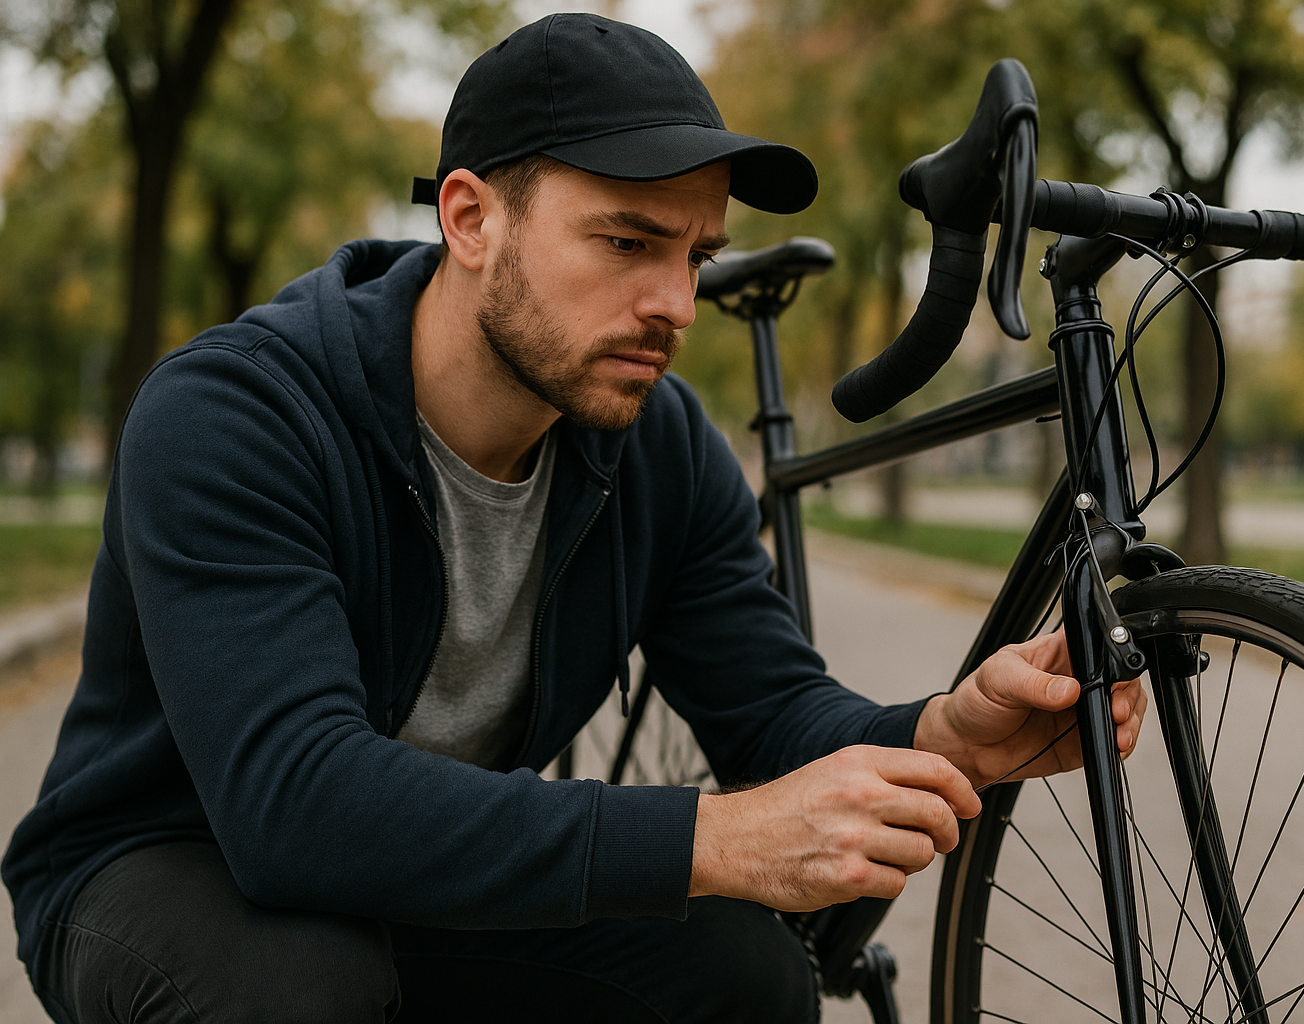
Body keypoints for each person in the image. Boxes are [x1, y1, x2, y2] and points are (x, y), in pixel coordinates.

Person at [3, 13, 1146, 1023]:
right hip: (164, 864)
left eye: (696, 254)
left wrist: (944, 734)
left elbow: (771, 708)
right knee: (299, 985)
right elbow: (291, 802)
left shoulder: (657, 440)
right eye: (626, 242)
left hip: (421, 886)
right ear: (469, 218)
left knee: (743, 969)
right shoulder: (236, 412)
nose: (675, 304)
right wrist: (714, 838)